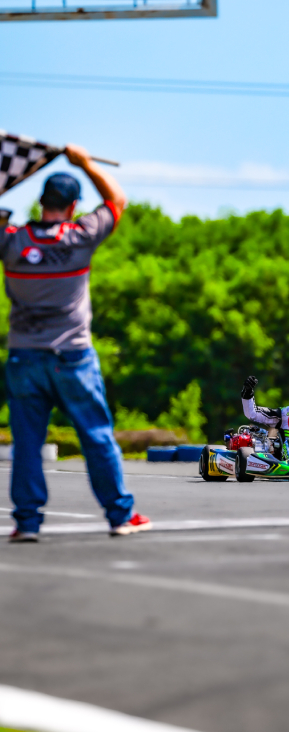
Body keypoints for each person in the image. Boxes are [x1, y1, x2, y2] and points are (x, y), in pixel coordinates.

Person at [0, 144, 151, 542]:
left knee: (27, 444)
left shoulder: (12, 241)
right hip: (72, 356)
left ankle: (27, 523)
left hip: (24, 357)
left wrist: (11, 170)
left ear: (42, 202)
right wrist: (84, 163)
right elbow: (117, 200)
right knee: (97, 436)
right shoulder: (81, 235)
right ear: (72, 206)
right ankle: (120, 516)